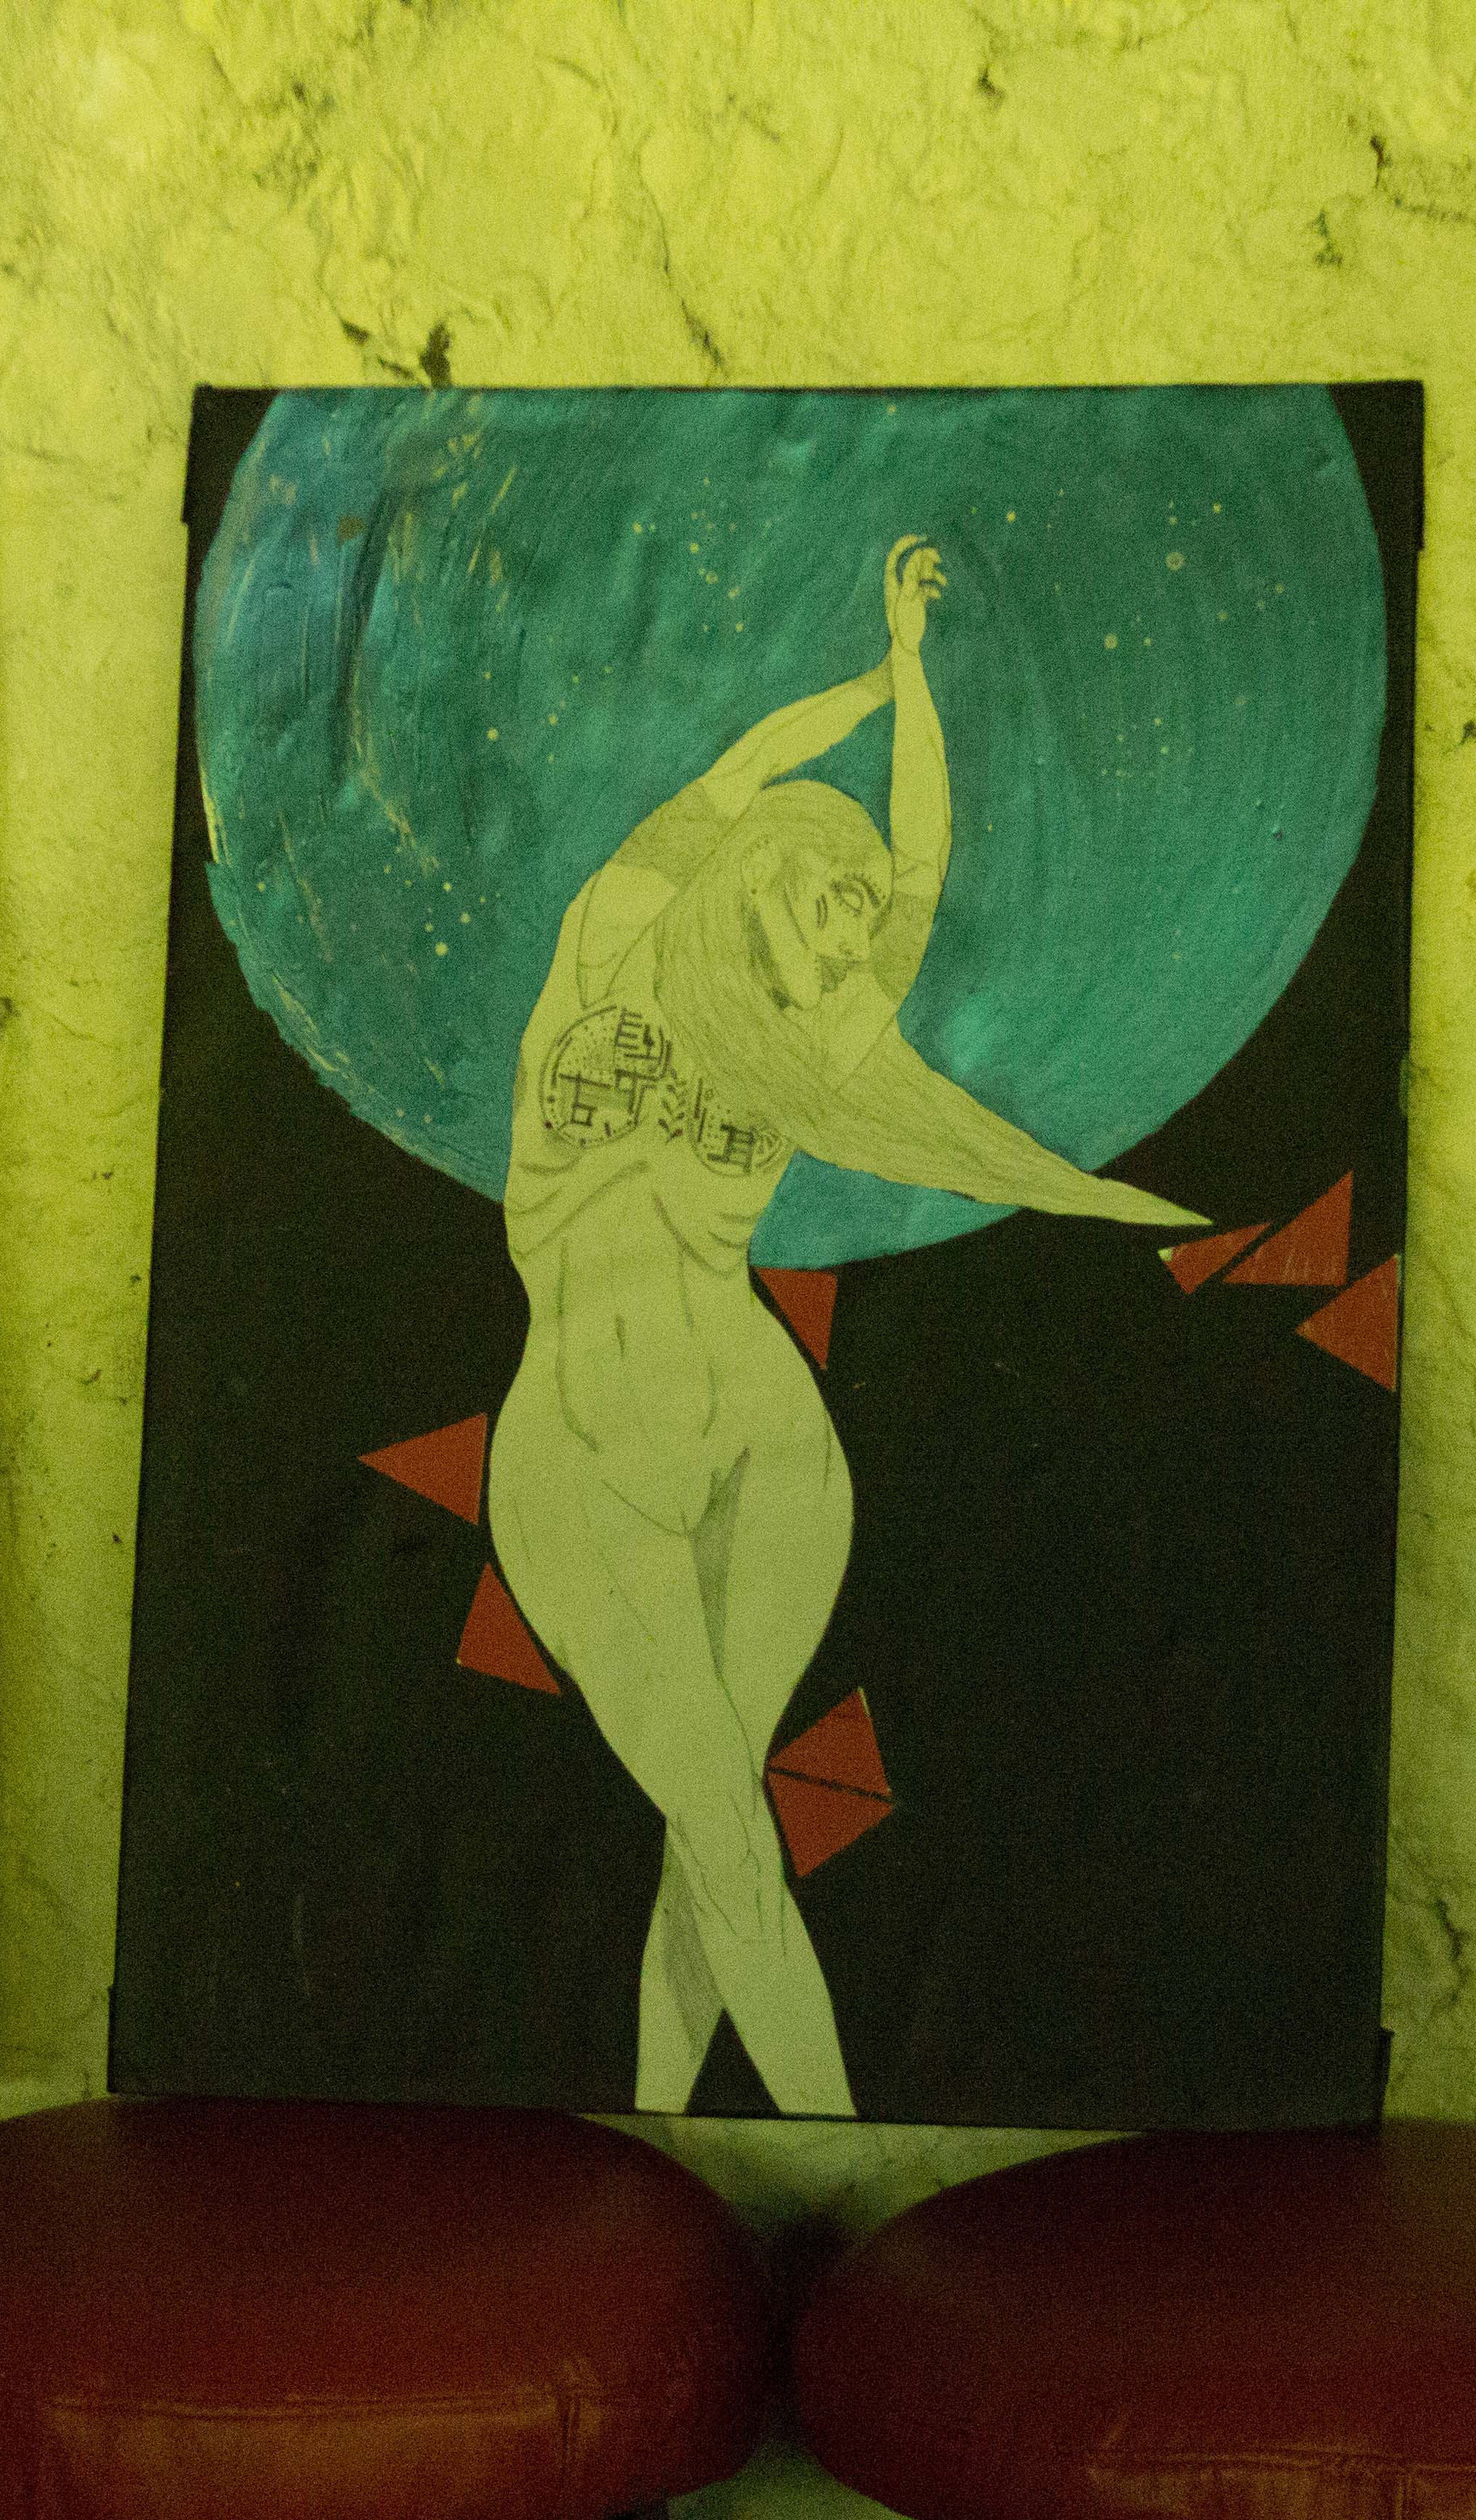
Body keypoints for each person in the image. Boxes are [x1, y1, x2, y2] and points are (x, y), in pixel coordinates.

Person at [486, 537, 1197, 2116]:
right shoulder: (613, 941)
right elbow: (734, 773)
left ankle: (664, 2138)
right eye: (833, 901)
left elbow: (926, 874)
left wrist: (925, 690)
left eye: (859, 922)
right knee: (724, 1832)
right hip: (582, 1451)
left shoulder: (800, 1047)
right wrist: (873, 680)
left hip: (768, 1441)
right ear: (766, 877)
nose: (854, 939)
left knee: (718, 1830)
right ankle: (837, 2150)